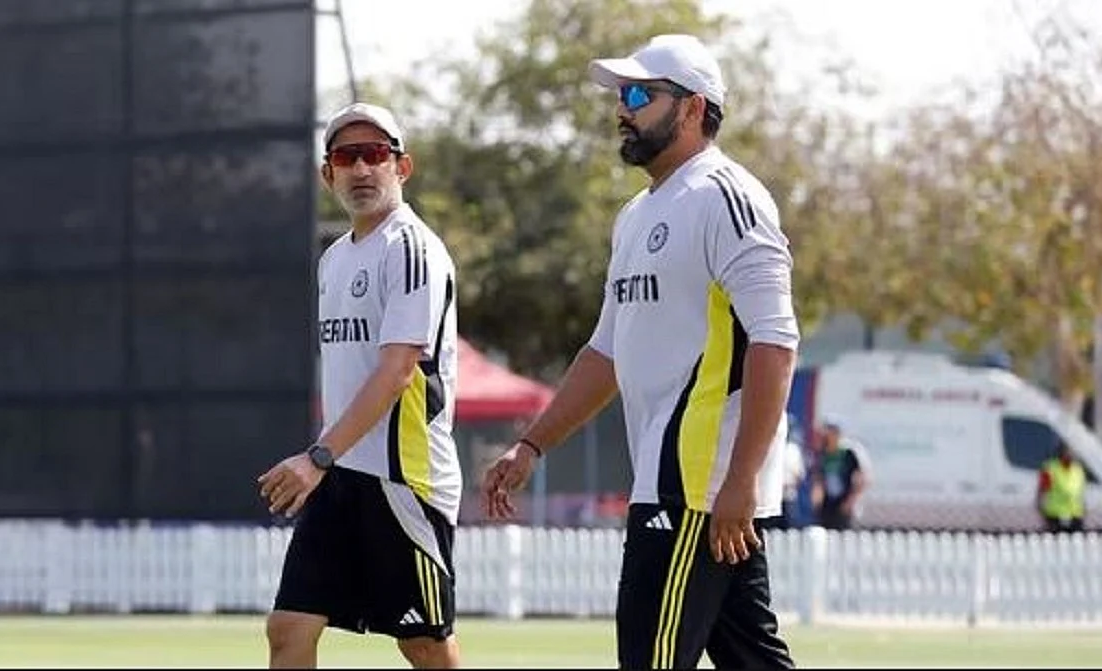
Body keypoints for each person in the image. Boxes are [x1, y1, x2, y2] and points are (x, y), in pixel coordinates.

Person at [482, 34, 798, 670]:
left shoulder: (727, 198)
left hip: (695, 486)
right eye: (621, 96)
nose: (621, 111)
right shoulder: (635, 215)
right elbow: (605, 353)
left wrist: (739, 481)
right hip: (678, 484)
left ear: (692, 107)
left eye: (637, 96)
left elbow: (776, 342)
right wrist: (532, 444)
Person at [256, 102, 463, 669]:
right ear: (328, 174)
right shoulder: (334, 260)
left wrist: (317, 457)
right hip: (341, 473)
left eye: (375, 154)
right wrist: (328, 461)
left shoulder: (412, 248)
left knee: (424, 643)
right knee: (289, 629)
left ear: (403, 166)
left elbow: (397, 372)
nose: (362, 169)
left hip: (404, 477)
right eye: (347, 158)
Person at [809, 416, 870, 530]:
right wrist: (816, 498)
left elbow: (862, 478)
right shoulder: (822, 453)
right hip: (827, 505)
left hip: (846, 504)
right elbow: (818, 477)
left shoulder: (849, 452)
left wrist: (852, 500)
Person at [1037, 441, 1087, 533]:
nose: (1071, 454)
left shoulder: (1078, 469)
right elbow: (1042, 491)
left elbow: (1080, 493)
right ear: (1061, 453)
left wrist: (1083, 511)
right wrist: (1042, 511)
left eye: (1073, 452)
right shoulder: (1050, 468)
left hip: (1075, 514)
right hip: (1054, 515)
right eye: (1068, 452)